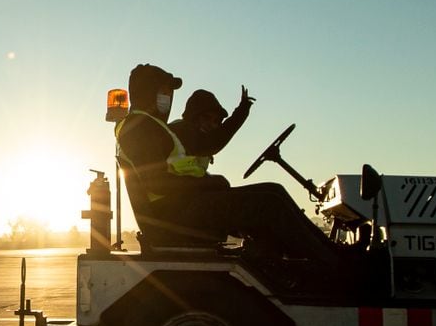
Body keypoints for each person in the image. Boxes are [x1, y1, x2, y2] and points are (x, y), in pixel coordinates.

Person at [114, 63, 345, 269]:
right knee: (270, 200)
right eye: (163, 91)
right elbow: (159, 183)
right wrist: (209, 183)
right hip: (175, 214)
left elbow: (173, 171)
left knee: (271, 193)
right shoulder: (142, 127)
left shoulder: (149, 126)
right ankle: (333, 264)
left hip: (178, 209)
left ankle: (321, 254)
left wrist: (209, 183)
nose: (167, 97)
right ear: (147, 92)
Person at [171, 87, 254, 173]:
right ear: (193, 116)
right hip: (170, 184)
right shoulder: (181, 131)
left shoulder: (201, 147)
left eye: (216, 121)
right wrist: (242, 110)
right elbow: (214, 141)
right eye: (206, 118)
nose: (211, 124)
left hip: (186, 183)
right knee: (220, 182)